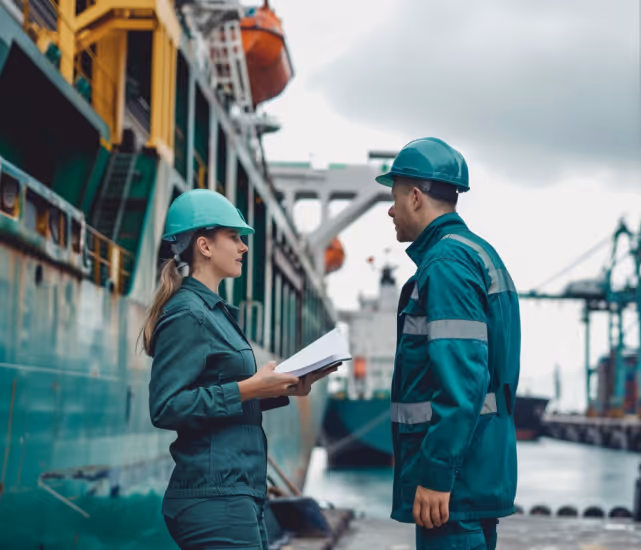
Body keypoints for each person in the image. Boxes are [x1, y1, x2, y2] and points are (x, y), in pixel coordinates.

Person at [141, 189, 335, 550]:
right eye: (233, 237)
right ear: (205, 246)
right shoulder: (188, 314)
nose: (244, 247)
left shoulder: (214, 314)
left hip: (238, 491)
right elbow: (166, 407)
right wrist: (249, 388)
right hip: (213, 496)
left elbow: (219, 394)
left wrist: (284, 388)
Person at [375, 138, 521, 550]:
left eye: (395, 197)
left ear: (417, 197)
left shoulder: (446, 265)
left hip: (453, 487)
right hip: (477, 475)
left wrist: (437, 474)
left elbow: (463, 381)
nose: (391, 209)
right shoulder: (479, 254)